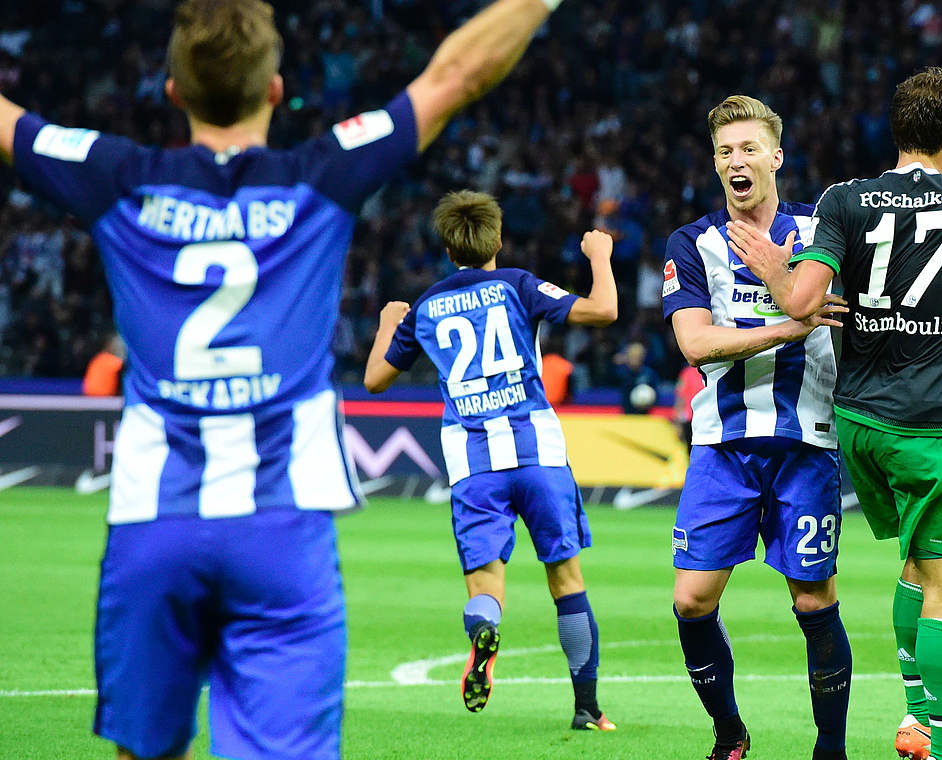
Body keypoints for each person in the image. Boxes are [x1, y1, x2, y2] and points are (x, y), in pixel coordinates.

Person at [0, 0, 563, 757]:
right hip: (282, 528)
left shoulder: (114, 175)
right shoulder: (321, 175)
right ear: (275, 90)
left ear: (172, 90)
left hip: (153, 526)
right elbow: (456, 74)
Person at [729, 68, 942, 760]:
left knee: (916, 567)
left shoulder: (845, 199)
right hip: (931, 427)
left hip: (859, 423)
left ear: (895, 132)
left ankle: (918, 722)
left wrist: (778, 272)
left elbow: (804, 302)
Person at [365, 192, 618, 729]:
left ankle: (484, 633)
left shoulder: (428, 305)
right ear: (497, 240)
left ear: (447, 246)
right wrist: (599, 256)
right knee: (566, 580)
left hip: (473, 463)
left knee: (485, 583)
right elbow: (604, 310)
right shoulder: (518, 285)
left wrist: (389, 322)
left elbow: (375, 380)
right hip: (537, 452)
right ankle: (587, 709)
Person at [661, 95, 851, 760]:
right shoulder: (691, 243)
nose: (736, 161)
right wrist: (791, 324)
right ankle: (730, 731)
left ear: (776, 156)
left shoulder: (824, 231)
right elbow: (694, 343)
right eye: (724, 151)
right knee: (691, 601)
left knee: (813, 603)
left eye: (748, 149)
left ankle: (830, 748)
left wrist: (788, 283)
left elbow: (848, 313)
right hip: (723, 445)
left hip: (809, 444)